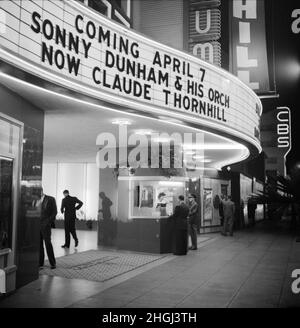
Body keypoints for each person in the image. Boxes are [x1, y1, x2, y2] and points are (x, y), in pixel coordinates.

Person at [37, 189, 57, 269]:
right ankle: (40, 263)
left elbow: (54, 212)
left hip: (46, 226)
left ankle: (53, 263)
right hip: (37, 225)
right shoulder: (35, 200)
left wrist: (48, 222)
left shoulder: (50, 199)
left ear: (41, 191)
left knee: (48, 243)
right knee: (39, 245)